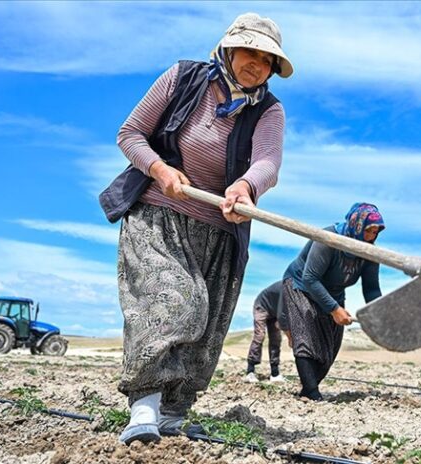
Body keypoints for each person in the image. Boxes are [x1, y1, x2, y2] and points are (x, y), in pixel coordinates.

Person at [99, 12, 293, 445]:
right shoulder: (183, 79)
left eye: (267, 59)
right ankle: (144, 408)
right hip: (158, 216)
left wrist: (246, 185)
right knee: (174, 303)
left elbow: (268, 162)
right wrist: (160, 168)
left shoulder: (268, 110)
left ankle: (172, 413)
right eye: (250, 51)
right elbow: (130, 134)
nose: (257, 64)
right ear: (227, 48)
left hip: (219, 232)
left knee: (206, 326)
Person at [279, 203, 385, 401]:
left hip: (334, 293)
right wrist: (334, 309)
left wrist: (378, 313)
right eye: (369, 230)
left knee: (330, 346)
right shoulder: (329, 238)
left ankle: (309, 387)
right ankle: (311, 392)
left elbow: (371, 289)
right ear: (357, 226)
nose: (372, 236)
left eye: (376, 232)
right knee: (306, 334)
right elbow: (310, 277)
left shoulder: (369, 253)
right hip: (300, 285)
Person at [244, 281, 285, 383]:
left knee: (276, 338)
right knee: (260, 335)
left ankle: (275, 373)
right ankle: (250, 371)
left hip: (274, 312)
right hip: (261, 306)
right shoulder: (285, 288)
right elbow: (283, 313)